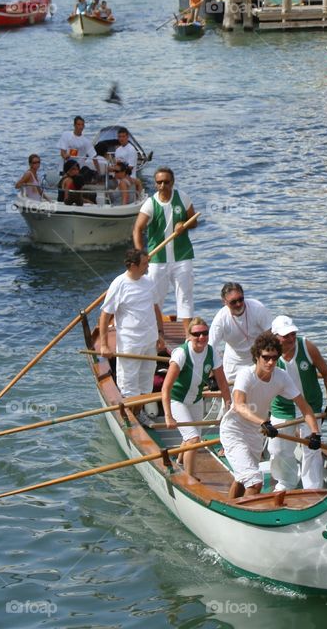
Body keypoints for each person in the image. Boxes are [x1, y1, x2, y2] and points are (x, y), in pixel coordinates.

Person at [219, 332, 321, 499]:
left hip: (256, 434)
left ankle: (228, 508)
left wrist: (315, 432)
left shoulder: (281, 376)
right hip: (234, 431)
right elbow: (239, 405)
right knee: (254, 482)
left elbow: (305, 408)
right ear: (256, 356)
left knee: (241, 478)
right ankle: (244, 519)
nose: (271, 362)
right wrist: (263, 422)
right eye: (266, 357)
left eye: (274, 358)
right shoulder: (246, 375)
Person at [267, 315, 327, 492]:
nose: (290, 338)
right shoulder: (268, 354)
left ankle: (312, 490)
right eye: (285, 335)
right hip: (283, 408)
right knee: (277, 451)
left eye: (292, 333)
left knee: (312, 447)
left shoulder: (307, 347)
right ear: (275, 337)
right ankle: (286, 482)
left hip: (310, 407)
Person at [161, 316, 231, 478]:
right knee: (193, 439)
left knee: (191, 438)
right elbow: (165, 388)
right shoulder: (181, 354)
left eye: (205, 333)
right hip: (176, 400)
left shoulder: (211, 352)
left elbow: (223, 383)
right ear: (189, 336)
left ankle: (179, 459)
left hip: (196, 400)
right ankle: (190, 478)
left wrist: (229, 406)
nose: (201, 337)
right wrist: (168, 416)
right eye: (197, 334)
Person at [133, 167, 196, 334]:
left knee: (185, 297)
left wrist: (184, 224)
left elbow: (194, 221)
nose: (163, 185)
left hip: (182, 256)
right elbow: (137, 229)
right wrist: (141, 255)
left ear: (172, 182)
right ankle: (156, 333)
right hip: (157, 259)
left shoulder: (182, 197)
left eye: (166, 182)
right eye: (159, 182)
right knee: (154, 298)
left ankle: (188, 336)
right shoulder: (150, 204)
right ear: (155, 184)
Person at [97, 248, 166, 401]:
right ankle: (132, 414)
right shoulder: (119, 284)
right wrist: (104, 345)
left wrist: (161, 335)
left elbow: (155, 308)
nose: (148, 267)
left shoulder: (149, 281)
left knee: (146, 380)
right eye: (144, 264)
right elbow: (105, 315)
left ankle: (142, 413)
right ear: (133, 266)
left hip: (150, 341)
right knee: (129, 384)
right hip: (130, 344)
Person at [209, 282, 272, 383]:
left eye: (240, 299)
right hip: (234, 362)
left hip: (259, 358)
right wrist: (212, 374)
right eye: (233, 302)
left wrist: (270, 360)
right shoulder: (220, 320)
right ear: (224, 302)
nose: (238, 304)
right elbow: (210, 348)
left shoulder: (257, 308)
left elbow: (270, 335)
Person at [57, 115, 103, 180]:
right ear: (74, 125)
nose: (80, 127)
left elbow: (94, 157)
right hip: (65, 168)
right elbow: (62, 153)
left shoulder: (86, 141)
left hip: (78, 171)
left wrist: (99, 172)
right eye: (78, 124)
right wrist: (65, 156)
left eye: (82, 125)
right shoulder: (66, 135)